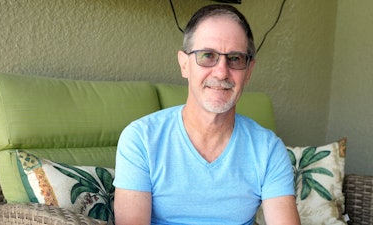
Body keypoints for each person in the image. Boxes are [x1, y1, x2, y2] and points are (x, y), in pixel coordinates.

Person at [113, 4, 300, 225]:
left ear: (248, 72)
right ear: (184, 64)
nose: (221, 72)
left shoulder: (268, 149)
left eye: (235, 59)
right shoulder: (141, 139)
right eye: (207, 55)